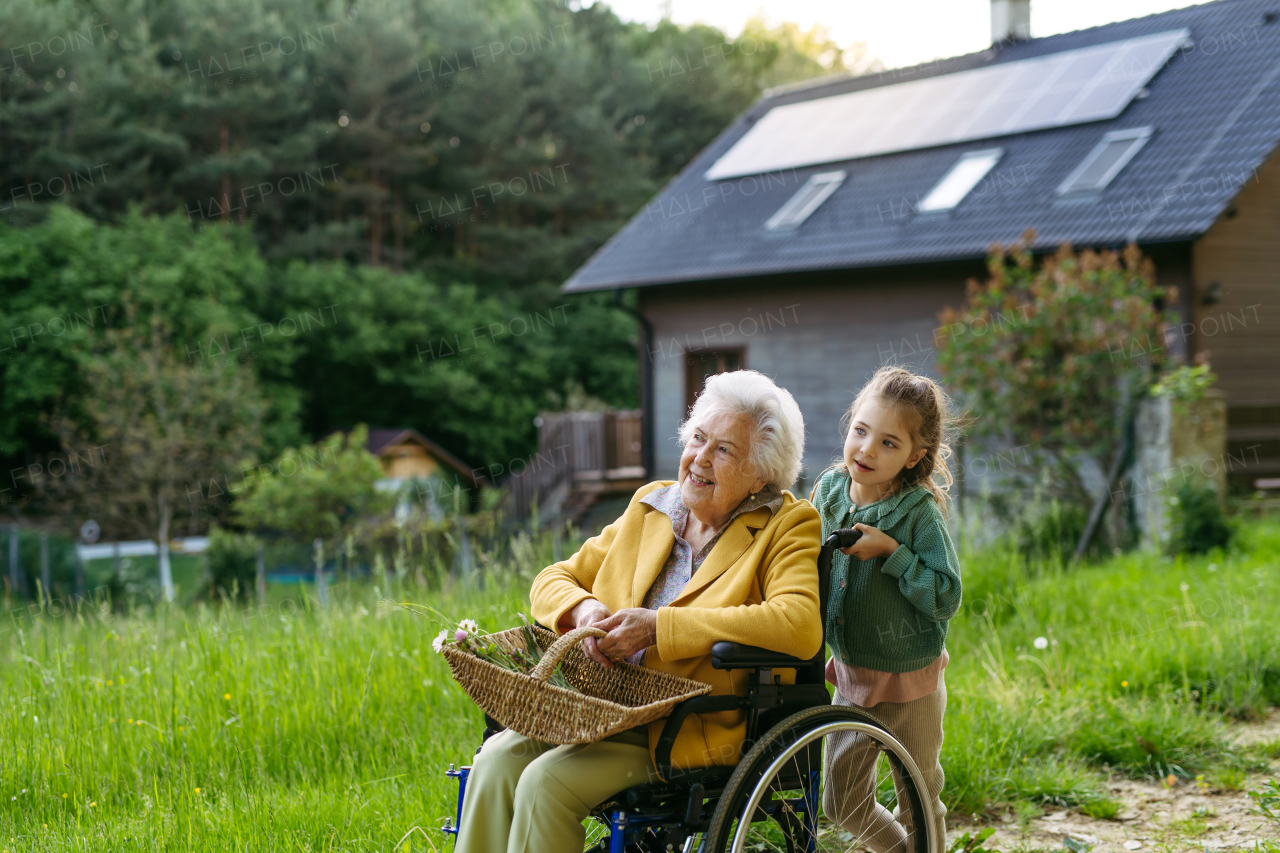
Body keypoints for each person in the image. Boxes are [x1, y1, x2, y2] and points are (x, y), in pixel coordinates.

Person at [455, 369, 822, 853]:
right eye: (698, 438)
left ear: (761, 473)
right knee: (495, 760)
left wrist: (659, 628)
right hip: (601, 705)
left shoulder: (787, 524)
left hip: (687, 725)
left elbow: (798, 624)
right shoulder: (651, 504)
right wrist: (584, 612)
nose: (700, 459)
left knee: (546, 784)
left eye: (724, 450)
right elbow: (551, 580)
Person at [813, 366, 962, 853]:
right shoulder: (829, 492)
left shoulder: (917, 511)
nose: (867, 450)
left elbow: (945, 595)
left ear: (915, 456)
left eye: (889, 443)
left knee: (918, 799)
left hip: (912, 682)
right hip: (852, 678)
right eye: (860, 431)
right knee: (840, 802)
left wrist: (891, 554)